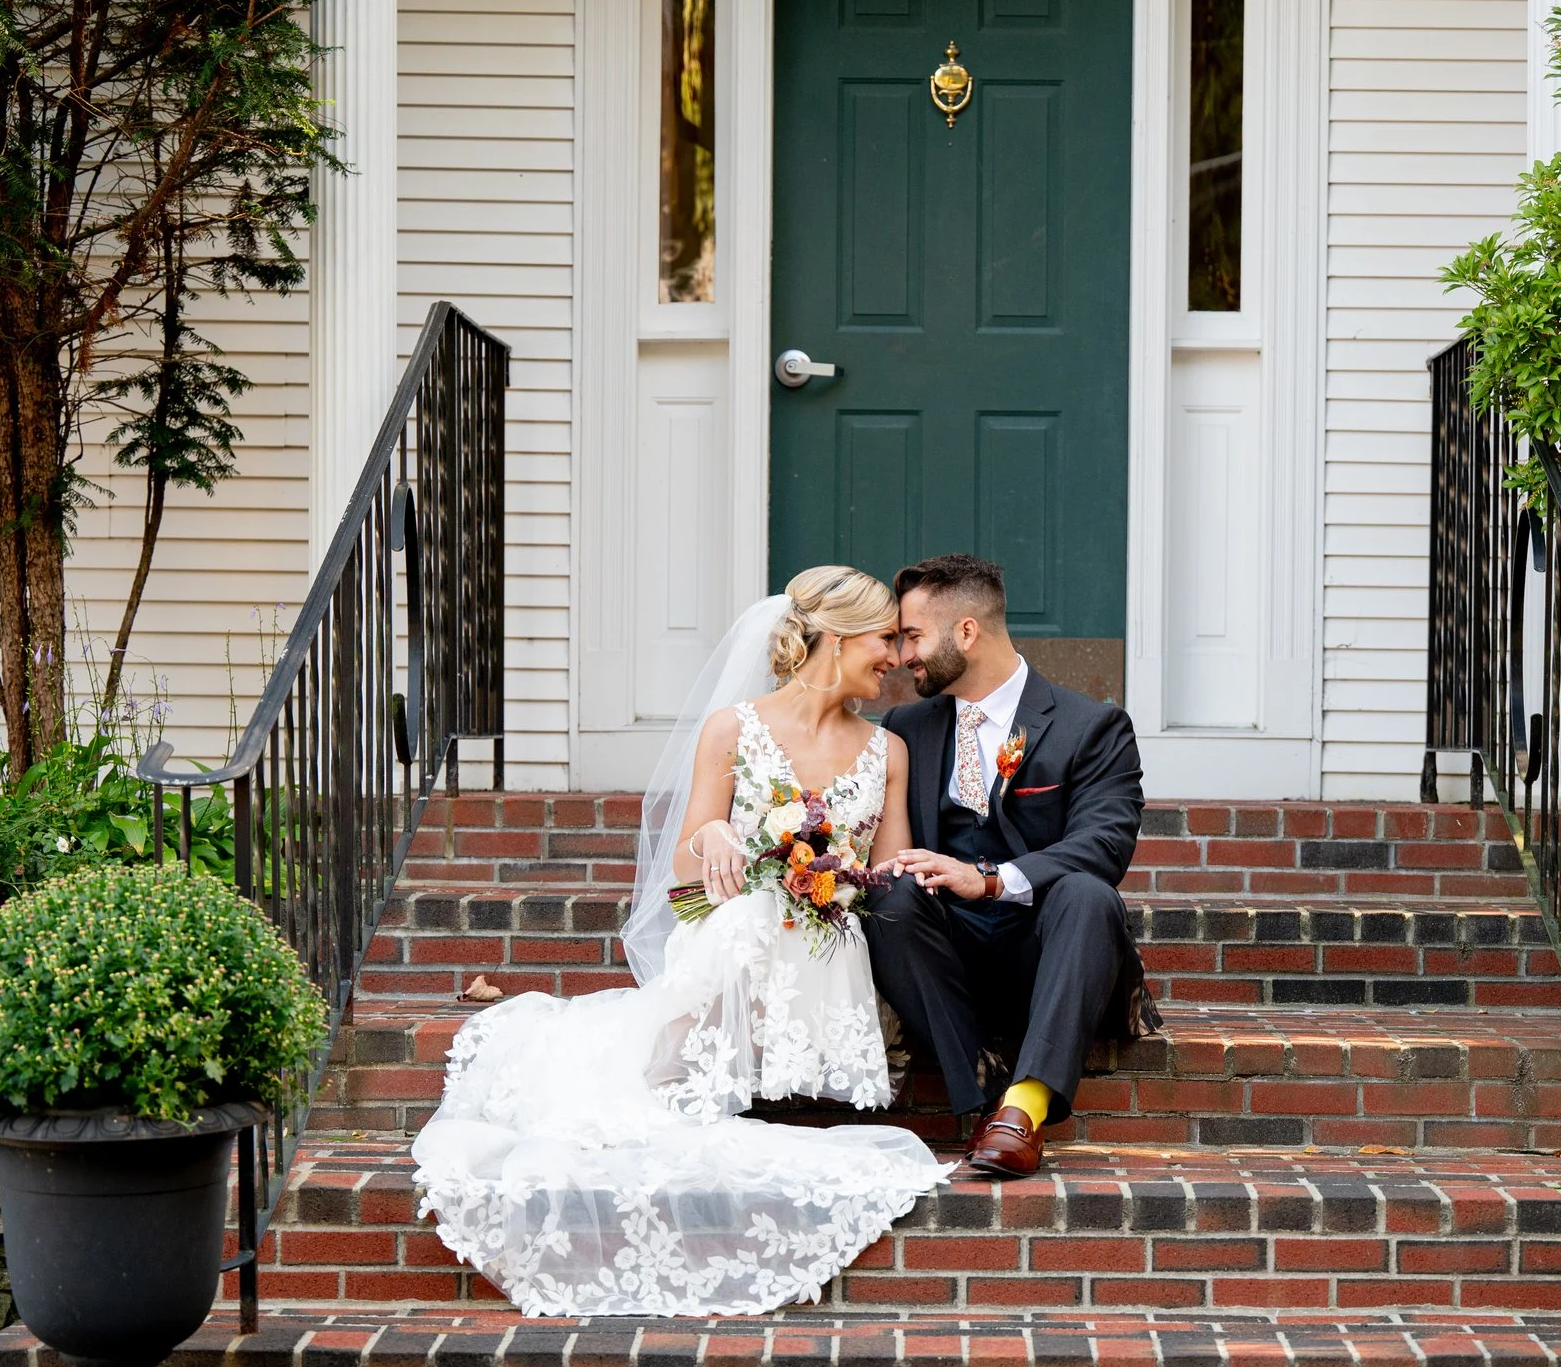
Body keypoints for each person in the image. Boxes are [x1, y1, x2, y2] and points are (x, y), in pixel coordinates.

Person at [409, 566, 950, 1318]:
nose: (894, 655)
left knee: (784, 917)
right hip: (738, 930)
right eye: (885, 637)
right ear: (836, 637)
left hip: (828, 946)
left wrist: (833, 876)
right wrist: (721, 835)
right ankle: (675, 1071)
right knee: (754, 917)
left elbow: (887, 872)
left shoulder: (887, 751)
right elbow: (684, 863)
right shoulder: (735, 728)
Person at [869, 554, 1161, 1179]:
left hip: (1050, 951)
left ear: (967, 632)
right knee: (889, 897)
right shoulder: (905, 728)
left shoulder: (1092, 727)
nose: (900, 656)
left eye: (913, 636)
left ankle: (1023, 1111)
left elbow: (1106, 844)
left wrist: (995, 879)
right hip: (945, 960)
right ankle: (984, 1097)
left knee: (1088, 895)